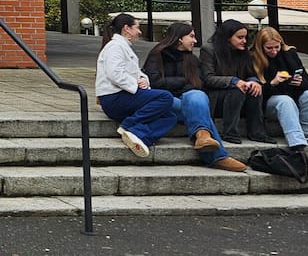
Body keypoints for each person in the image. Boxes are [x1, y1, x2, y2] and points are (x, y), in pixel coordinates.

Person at [142, 22, 246, 172]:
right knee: (198, 111)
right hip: (165, 101)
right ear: (179, 38)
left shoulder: (191, 59)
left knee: (197, 95)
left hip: (187, 99)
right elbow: (155, 82)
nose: (195, 41)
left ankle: (203, 137)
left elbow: (198, 84)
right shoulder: (157, 55)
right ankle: (218, 156)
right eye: (191, 36)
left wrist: (184, 85)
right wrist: (184, 81)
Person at [94, 13, 177, 158]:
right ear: (127, 28)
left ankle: (139, 135)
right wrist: (136, 83)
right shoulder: (115, 47)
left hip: (123, 95)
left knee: (170, 117)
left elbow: (136, 72)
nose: (139, 32)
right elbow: (115, 74)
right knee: (165, 97)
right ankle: (129, 125)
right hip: (114, 98)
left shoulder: (122, 47)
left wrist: (143, 79)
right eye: (137, 28)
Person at [250, 26, 308, 149]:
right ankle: (296, 141)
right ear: (261, 47)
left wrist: (300, 82)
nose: (274, 51)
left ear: (281, 44)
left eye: (276, 47)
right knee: (285, 101)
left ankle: (304, 132)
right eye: (269, 48)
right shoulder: (253, 58)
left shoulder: (290, 54)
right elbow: (256, 91)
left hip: (293, 96)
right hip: (268, 102)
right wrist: (273, 83)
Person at [198, 18, 275, 144]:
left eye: (245, 37)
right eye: (240, 37)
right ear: (228, 37)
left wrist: (254, 81)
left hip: (240, 92)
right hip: (217, 96)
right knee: (237, 90)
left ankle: (257, 133)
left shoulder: (243, 51)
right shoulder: (208, 50)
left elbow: (250, 73)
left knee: (255, 89)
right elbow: (208, 78)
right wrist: (234, 81)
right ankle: (230, 133)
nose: (244, 41)